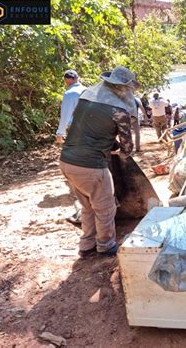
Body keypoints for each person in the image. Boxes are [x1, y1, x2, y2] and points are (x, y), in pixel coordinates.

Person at [60, 66, 137, 257]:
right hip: (91, 166)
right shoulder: (119, 111)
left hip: (67, 161)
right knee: (105, 207)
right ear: (123, 88)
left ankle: (86, 244)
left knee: (87, 207)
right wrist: (120, 150)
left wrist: (109, 142)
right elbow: (127, 148)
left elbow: (89, 129)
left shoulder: (86, 97)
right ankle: (105, 245)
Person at [55, 70, 86, 143]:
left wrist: (60, 133)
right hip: (91, 127)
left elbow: (65, 115)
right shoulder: (87, 90)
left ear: (66, 80)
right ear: (77, 78)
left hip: (76, 129)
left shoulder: (69, 94)